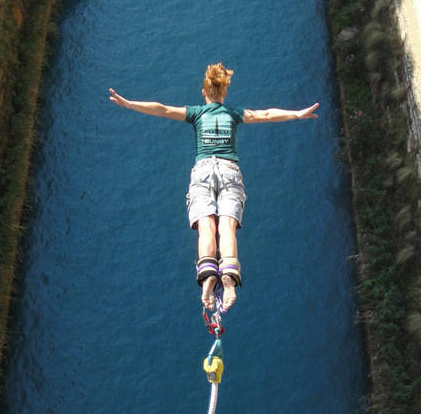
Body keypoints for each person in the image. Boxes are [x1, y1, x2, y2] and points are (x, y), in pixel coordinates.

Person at [109, 63, 318, 310]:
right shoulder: (234, 113)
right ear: (224, 92)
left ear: (203, 92)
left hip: (203, 172)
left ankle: (208, 274)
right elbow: (265, 114)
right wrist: (297, 114)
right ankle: (228, 276)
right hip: (229, 171)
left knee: (206, 227)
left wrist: (129, 104)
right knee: (227, 227)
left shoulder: (197, 114)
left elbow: (162, 109)